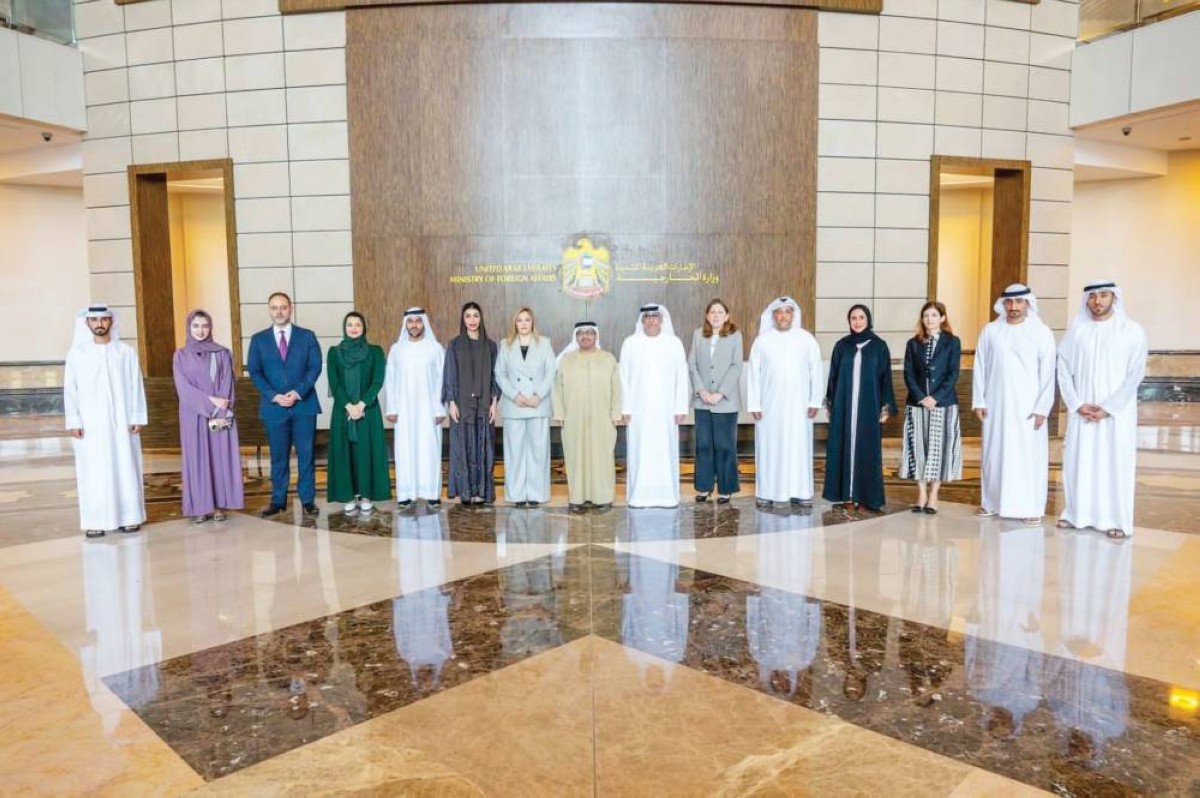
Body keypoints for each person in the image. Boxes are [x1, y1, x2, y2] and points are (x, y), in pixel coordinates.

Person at [1056, 281, 1147, 540]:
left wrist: (1109, 407)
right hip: (1082, 411)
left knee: (1114, 464)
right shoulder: (1077, 332)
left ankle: (1118, 520)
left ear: (1114, 298)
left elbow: (1135, 374)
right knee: (1079, 462)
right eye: (1093, 296)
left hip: (1117, 414)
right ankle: (1076, 514)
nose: (1097, 301)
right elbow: (1063, 370)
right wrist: (1076, 404)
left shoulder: (1131, 331)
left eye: (1104, 295)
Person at [972, 283, 1056, 525]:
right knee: (994, 454)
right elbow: (980, 366)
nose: (1013, 307)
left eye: (1019, 301)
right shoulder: (991, 331)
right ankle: (992, 502)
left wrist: (1042, 408)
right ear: (1003, 304)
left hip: (1028, 408)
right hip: (995, 405)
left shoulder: (1041, 332)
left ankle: (1030, 507)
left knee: (1027, 455)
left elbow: (1048, 373)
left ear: (1028, 303)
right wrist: (979, 400)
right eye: (1009, 302)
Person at [64, 305, 147, 538]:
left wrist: (137, 416)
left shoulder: (125, 352)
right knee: (93, 469)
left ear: (111, 322)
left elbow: (136, 385)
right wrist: (74, 420)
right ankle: (95, 520)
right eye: (94, 320)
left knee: (125, 466)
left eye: (103, 320)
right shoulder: (77, 354)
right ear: (87, 323)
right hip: (90, 425)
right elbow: (70, 389)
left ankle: (129, 517)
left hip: (122, 422)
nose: (99, 324)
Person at [247, 292, 323, 517]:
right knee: (278, 456)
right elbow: (255, 372)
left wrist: (298, 392)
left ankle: (308, 500)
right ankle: (278, 500)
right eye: (274, 308)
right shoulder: (258, 340)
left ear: (291, 308)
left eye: (283, 307)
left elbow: (315, 367)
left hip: (304, 406)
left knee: (306, 455)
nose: (279, 312)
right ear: (269, 310)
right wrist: (274, 395)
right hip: (274, 408)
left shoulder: (307, 336)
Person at [746, 297, 824, 510]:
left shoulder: (806, 339)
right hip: (769, 408)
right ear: (773, 316)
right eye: (779, 312)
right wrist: (754, 404)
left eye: (787, 312)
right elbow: (753, 374)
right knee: (770, 448)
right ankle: (766, 493)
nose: (783, 316)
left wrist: (814, 400)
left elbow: (816, 371)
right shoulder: (762, 341)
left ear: (793, 315)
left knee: (799, 448)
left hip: (800, 408)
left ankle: (801, 493)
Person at [172, 309, 244, 525]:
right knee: (197, 458)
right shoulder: (180, 355)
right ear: (189, 327)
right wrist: (210, 402)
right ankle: (200, 507)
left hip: (220, 414)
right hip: (193, 415)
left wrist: (220, 410)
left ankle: (219, 504)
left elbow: (227, 383)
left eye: (204, 326)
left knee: (219, 458)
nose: (200, 330)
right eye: (196, 326)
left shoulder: (221, 353)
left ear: (210, 327)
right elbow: (183, 388)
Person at [822, 304, 896, 513]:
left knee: (867, 450)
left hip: (868, 407)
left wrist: (885, 407)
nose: (857, 321)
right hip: (844, 406)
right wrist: (830, 403)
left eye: (861, 317)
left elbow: (885, 379)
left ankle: (865, 497)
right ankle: (846, 495)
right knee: (842, 446)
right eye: (853, 318)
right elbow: (833, 377)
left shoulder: (879, 346)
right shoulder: (842, 346)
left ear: (868, 320)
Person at [619, 304, 690, 508]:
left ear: (661, 320)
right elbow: (623, 378)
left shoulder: (674, 343)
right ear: (642, 320)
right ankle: (639, 496)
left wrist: (680, 407)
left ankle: (667, 496)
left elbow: (681, 376)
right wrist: (625, 408)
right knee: (639, 452)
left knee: (665, 451)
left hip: (666, 410)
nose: (651, 320)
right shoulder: (630, 343)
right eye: (647, 317)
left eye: (655, 317)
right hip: (638, 411)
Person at [899, 301, 963, 515]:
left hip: (943, 404)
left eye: (934, 315)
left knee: (939, 449)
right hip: (916, 404)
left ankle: (934, 494)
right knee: (917, 448)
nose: (929, 319)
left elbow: (953, 374)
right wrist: (920, 397)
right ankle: (921, 494)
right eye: (926, 315)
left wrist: (935, 397)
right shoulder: (913, 343)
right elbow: (908, 373)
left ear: (942, 318)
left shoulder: (952, 342)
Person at [552, 322, 622, 512]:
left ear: (596, 336)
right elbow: (557, 388)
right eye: (581, 333)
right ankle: (577, 498)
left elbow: (617, 389)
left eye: (589, 333)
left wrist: (616, 413)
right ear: (576, 337)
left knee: (602, 457)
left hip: (603, 418)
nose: (585, 337)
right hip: (573, 418)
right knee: (576, 457)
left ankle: (603, 497)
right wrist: (559, 413)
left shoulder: (608, 359)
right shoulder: (566, 360)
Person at [326, 312, 391, 515]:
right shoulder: (334, 353)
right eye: (350, 325)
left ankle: (366, 496)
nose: (353, 328)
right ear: (344, 328)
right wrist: (349, 406)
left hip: (368, 411)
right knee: (344, 453)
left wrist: (361, 405)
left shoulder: (375, 351)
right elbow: (334, 383)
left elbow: (377, 381)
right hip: (342, 411)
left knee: (366, 452)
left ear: (364, 328)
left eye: (357, 325)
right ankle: (348, 496)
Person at [385, 307, 447, 508]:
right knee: (405, 450)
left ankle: (431, 493)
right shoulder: (396, 350)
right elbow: (390, 380)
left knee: (430, 449)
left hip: (429, 410)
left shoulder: (435, 349)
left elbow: (442, 380)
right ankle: (406, 494)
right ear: (405, 324)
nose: (414, 325)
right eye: (410, 321)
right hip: (403, 411)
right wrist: (391, 408)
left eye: (418, 321)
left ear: (424, 323)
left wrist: (440, 408)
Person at [495, 307, 556, 507]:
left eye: (527, 320)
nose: (523, 323)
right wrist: (515, 395)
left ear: (532, 323)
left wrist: (538, 395)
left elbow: (551, 372)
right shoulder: (505, 345)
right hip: (515, 406)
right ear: (515, 323)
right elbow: (500, 374)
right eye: (519, 320)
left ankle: (538, 494)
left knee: (539, 451)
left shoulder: (544, 344)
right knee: (515, 452)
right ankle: (517, 495)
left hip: (538, 404)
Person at [442, 302, 500, 505]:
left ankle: (481, 491)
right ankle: (466, 492)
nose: (472, 320)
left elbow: (495, 376)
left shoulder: (490, 346)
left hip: (484, 405)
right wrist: (451, 402)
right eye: (468, 316)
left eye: (476, 315)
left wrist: (494, 403)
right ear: (463, 319)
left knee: (484, 446)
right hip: (462, 405)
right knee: (463, 447)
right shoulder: (455, 345)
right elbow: (450, 374)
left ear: (481, 318)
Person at [687, 299, 743, 503]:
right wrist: (701, 390)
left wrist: (720, 393)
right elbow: (692, 364)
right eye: (712, 312)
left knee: (725, 446)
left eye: (720, 312)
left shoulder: (735, 335)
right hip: (702, 401)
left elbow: (736, 366)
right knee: (703, 445)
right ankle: (704, 487)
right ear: (707, 315)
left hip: (725, 401)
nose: (716, 315)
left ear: (726, 316)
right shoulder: (698, 335)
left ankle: (726, 489)